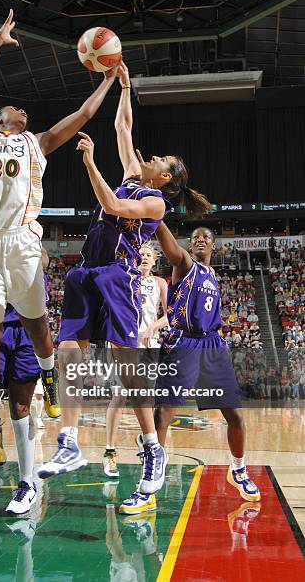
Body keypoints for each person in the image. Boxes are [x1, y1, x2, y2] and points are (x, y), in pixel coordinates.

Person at [38, 62, 211, 502]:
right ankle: (70, 443)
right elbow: (122, 123)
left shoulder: (154, 203)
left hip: (120, 278)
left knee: (127, 368)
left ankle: (153, 449)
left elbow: (113, 205)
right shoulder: (136, 172)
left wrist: (92, 164)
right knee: (68, 352)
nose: (149, 158)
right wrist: (125, 83)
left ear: (165, 178)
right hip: (87, 269)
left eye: (159, 161)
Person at [0, 10, 118, 470]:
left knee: (36, 322)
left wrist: (110, 79)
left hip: (22, 239)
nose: (24, 111)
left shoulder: (39, 142)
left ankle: (50, 378)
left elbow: (86, 113)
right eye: (15, 109)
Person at [122, 223, 260, 514]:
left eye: (206, 238)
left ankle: (238, 470)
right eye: (196, 237)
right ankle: (150, 483)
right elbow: (169, 244)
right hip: (183, 342)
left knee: (235, 416)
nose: (200, 240)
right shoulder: (184, 264)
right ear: (190, 243)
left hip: (212, 345)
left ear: (213, 246)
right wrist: (156, 216)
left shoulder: (212, 275)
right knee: (163, 413)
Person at [0, 249, 51, 514]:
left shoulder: (27, 232)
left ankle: (27, 482)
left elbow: (43, 260)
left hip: (26, 329)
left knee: (20, 406)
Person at [103, 243, 168, 478]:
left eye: (149, 255)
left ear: (155, 261)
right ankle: (109, 452)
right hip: (123, 342)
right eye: (140, 255)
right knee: (119, 396)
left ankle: (146, 444)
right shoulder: (124, 280)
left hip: (149, 345)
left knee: (147, 399)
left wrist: (152, 326)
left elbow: (170, 315)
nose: (144, 258)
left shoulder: (160, 283)